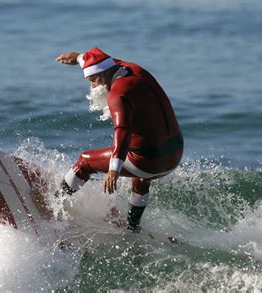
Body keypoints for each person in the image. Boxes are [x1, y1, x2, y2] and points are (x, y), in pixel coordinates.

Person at [55, 47, 183, 231]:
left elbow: (122, 131)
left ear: (105, 73)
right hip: (174, 154)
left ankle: (55, 202)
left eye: (93, 80)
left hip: (149, 163)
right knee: (141, 175)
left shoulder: (118, 94)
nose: (93, 86)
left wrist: (113, 170)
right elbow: (104, 60)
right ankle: (133, 227)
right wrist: (79, 58)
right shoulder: (132, 69)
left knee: (84, 161)